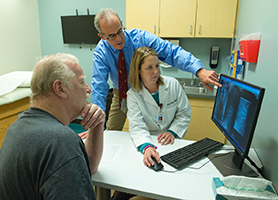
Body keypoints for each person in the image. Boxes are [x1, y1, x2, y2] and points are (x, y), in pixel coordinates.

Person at [0, 53, 105, 200]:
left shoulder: (18, 127)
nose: (88, 89)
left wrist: (97, 125)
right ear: (60, 88)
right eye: (82, 82)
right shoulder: (61, 141)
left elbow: (89, 167)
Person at [92, 8, 221, 132]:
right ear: (102, 36)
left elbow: (171, 52)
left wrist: (199, 70)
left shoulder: (141, 38)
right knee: (112, 132)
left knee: (155, 131)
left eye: (120, 31)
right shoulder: (101, 52)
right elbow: (99, 87)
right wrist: (95, 125)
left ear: (121, 23)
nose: (119, 39)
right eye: (112, 36)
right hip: (121, 94)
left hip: (146, 90)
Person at [127, 47, 191, 167]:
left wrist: (173, 131)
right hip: (148, 139)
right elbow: (137, 126)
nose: (156, 71)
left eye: (157, 66)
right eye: (149, 67)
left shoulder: (173, 84)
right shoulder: (133, 95)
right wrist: (147, 147)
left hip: (172, 140)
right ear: (138, 70)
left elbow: (184, 112)